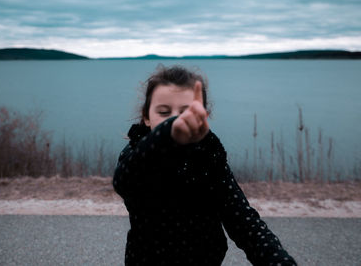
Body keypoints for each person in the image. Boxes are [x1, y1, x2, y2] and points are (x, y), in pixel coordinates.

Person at [113, 65, 297, 266]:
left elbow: (242, 219)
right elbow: (124, 181)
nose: (176, 120)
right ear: (147, 117)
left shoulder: (209, 157)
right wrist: (168, 135)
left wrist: (277, 260)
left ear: (203, 116)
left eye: (186, 112)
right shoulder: (138, 154)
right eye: (164, 112)